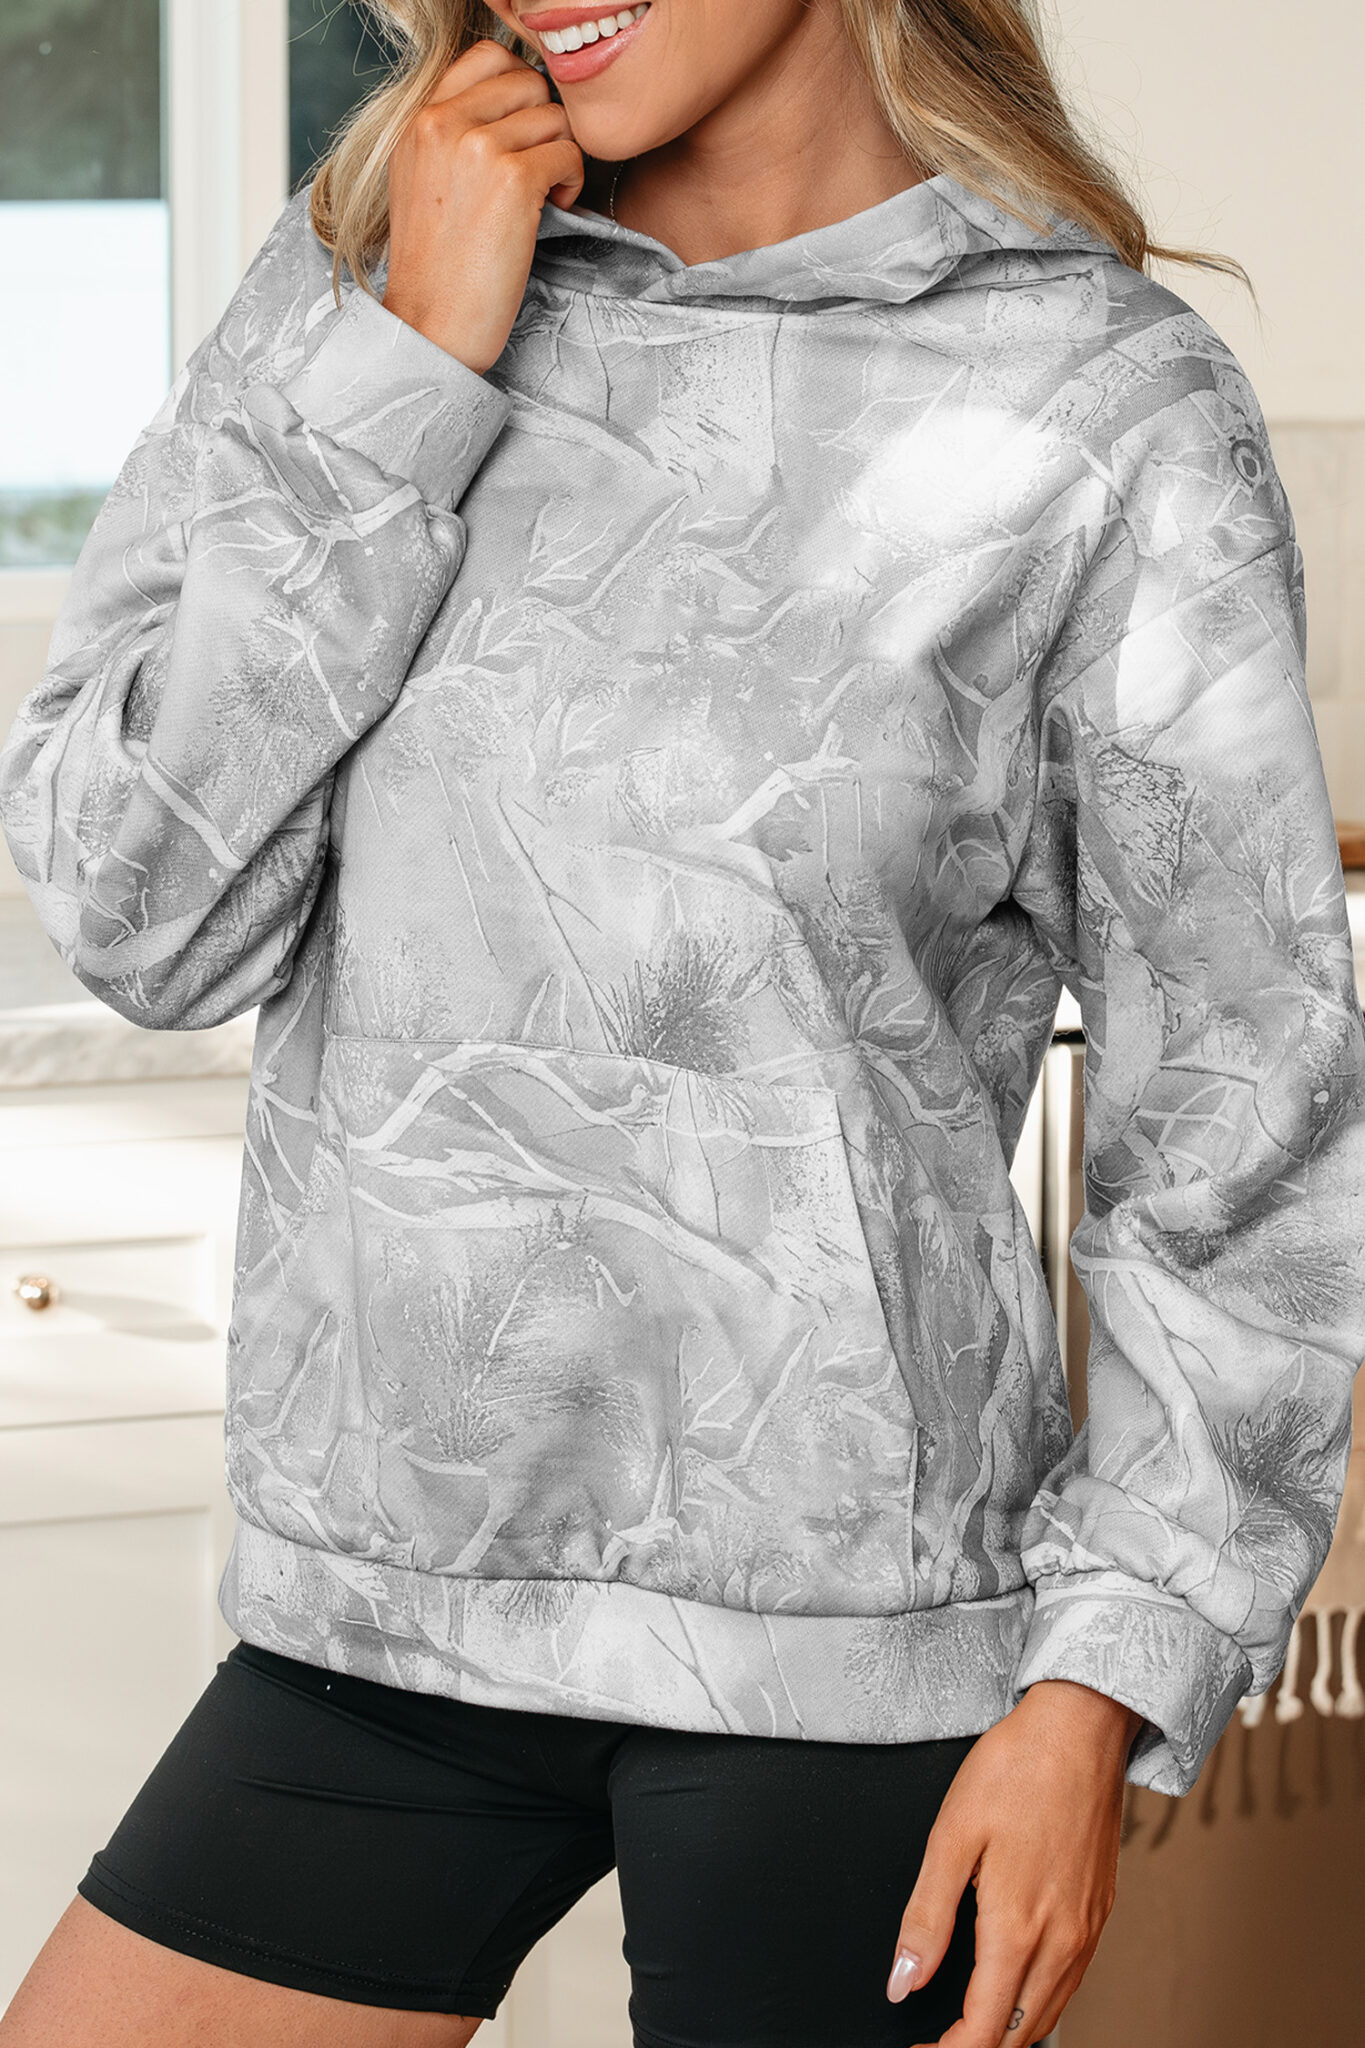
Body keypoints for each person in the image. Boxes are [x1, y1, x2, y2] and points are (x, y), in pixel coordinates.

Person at [2, 3, 1363, 2044]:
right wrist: (410, 365)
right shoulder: (363, 282)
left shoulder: (1093, 397)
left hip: (850, 1653)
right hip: (382, 1611)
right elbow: (140, 917)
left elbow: (1245, 1121)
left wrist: (1102, 1681)